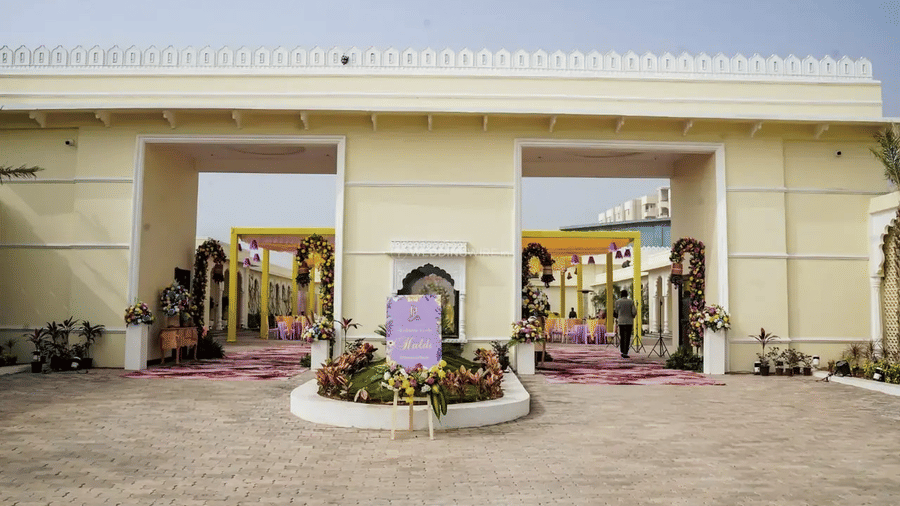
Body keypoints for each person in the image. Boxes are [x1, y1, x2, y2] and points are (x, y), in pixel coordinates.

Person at [614, 289, 637, 359]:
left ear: (621, 295)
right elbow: (634, 312)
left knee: (622, 336)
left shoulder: (618, 302)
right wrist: (632, 316)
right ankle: (625, 352)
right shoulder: (631, 302)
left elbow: (616, 312)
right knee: (627, 337)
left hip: (621, 322)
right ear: (627, 294)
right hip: (629, 322)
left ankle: (622, 351)